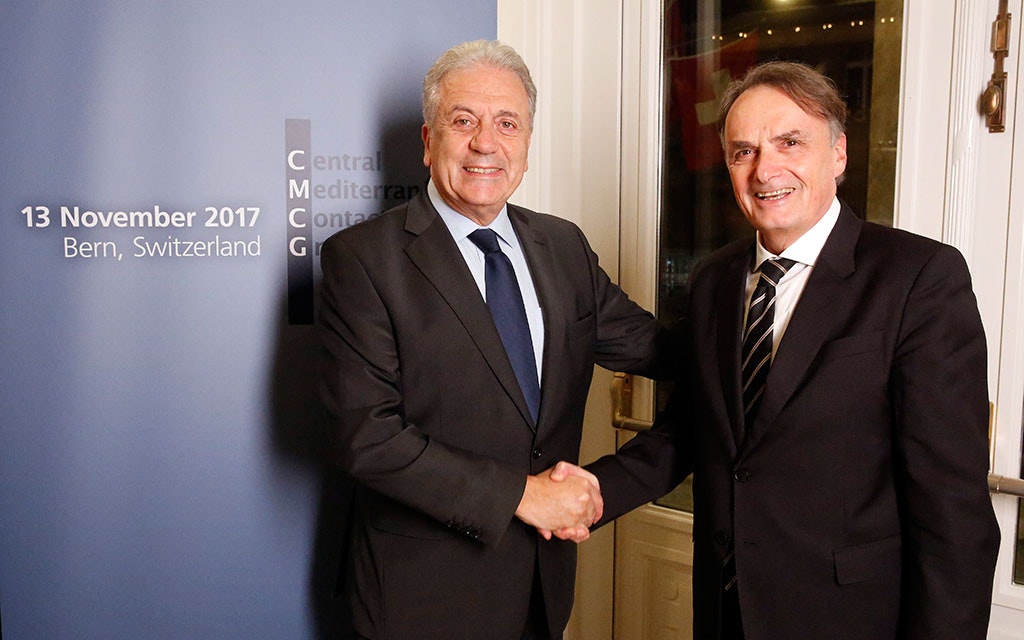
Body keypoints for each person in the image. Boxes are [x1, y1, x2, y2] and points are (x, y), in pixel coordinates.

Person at [565, 61, 1000, 639]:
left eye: (790, 142)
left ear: (838, 155)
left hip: (852, 618)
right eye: (744, 151)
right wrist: (589, 494)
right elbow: (693, 432)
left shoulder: (918, 277)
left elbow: (951, 506)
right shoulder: (715, 280)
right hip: (727, 612)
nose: (765, 169)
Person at [317, 39, 664, 640]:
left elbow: (665, 351)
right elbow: (366, 437)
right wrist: (521, 497)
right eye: (463, 121)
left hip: (541, 585)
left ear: (527, 143)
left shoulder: (564, 247)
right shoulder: (363, 259)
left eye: (508, 123)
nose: (486, 142)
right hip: (420, 600)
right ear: (428, 142)